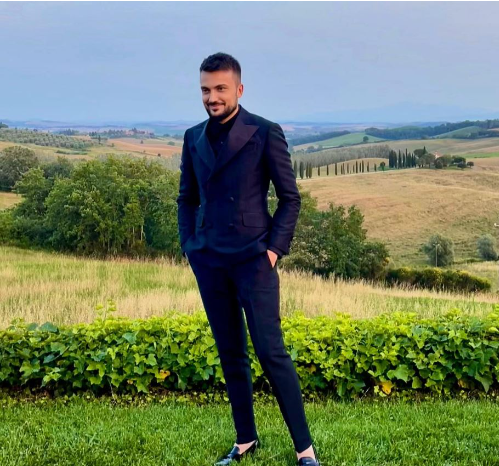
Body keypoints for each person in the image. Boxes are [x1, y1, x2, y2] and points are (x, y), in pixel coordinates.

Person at [176, 52, 320, 466]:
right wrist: (189, 244)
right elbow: (186, 198)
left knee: (271, 353)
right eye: (206, 89)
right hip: (209, 260)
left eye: (220, 88)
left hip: (254, 260)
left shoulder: (265, 132)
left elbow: (290, 198)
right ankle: (245, 440)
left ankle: (305, 451)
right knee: (230, 353)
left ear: (239, 89)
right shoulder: (193, 137)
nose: (212, 97)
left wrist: (273, 250)